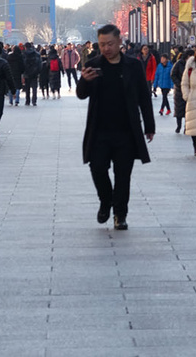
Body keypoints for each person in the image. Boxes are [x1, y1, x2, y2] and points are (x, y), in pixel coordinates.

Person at [76, 24, 155, 230]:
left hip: (126, 131)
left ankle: (120, 214)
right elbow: (81, 94)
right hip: (99, 130)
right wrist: (84, 81)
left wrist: (149, 125)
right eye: (102, 44)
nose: (106, 48)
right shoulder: (93, 64)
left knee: (123, 175)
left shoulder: (133, 66)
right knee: (98, 168)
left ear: (120, 41)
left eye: (110, 44)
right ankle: (105, 201)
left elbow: (144, 98)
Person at [170, 50, 189, 134]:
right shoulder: (178, 64)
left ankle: (186, 127)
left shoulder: (194, 64)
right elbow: (173, 75)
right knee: (179, 109)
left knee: (188, 110)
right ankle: (179, 126)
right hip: (179, 90)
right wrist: (179, 84)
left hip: (189, 90)